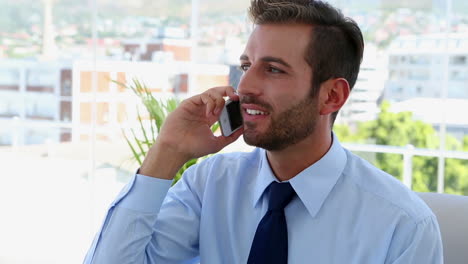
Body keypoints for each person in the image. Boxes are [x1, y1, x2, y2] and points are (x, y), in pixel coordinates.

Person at [84, 0, 443, 263]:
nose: (246, 85)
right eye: (245, 65)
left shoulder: (403, 225)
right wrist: (166, 151)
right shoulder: (209, 185)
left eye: (273, 70)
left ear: (331, 96)